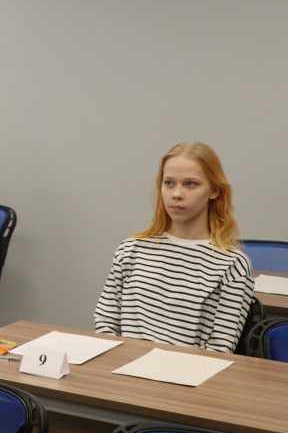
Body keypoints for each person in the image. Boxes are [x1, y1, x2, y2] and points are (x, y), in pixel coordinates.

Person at [94, 142, 254, 353]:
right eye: (169, 183)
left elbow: (219, 349)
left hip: (189, 372)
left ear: (214, 190)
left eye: (190, 184)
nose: (176, 194)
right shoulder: (130, 250)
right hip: (123, 368)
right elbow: (105, 322)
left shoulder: (232, 265)